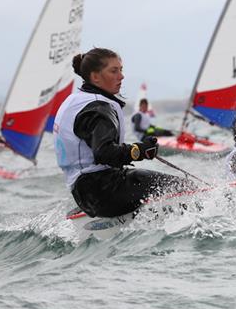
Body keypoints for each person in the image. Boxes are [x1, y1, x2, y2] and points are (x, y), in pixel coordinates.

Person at [54, 47, 189, 218]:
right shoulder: (98, 108)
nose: (121, 76)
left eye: (121, 70)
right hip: (103, 191)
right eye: (114, 71)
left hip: (83, 192)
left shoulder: (75, 100)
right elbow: (104, 152)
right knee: (182, 187)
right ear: (95, 77)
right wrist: (138, 150)